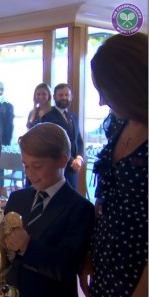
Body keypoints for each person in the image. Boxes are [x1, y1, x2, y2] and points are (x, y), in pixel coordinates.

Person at [79, 33, 148, 297]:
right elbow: (105, 199)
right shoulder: (119, 124)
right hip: (108, 260)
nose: (101, 102)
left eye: (106, 92)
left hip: (139, 270)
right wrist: (90, 252)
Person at [4, 123, 95, 297]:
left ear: (62, 160)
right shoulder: (17, 198)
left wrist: (27, 246)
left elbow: (67, 267)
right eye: (25, 165)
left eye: (37, 166)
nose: (29, 174)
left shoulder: (80, 209)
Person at [41, 83, 84, 189]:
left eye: (66, 95)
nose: (64, 97)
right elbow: (52, 144)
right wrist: (71, 161)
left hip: (74, 169)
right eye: (60, 95)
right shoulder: (48, 118)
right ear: (55, 97)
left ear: (71, 97)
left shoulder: (74, 117)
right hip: (58, 167)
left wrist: (79, 158)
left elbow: (78, 140)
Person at [0, 81, 14, 146]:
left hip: (7, 140)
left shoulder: (9, 106)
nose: (0, 91)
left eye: (1, 89)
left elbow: (10, 125)